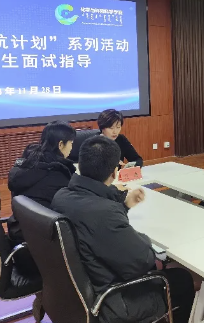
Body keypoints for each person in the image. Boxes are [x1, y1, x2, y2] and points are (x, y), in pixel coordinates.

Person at [51, 136, 195, 323]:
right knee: (182, 279)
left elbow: (98, 228)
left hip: (76, 293)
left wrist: (124, 206)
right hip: (113, 301)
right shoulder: (104, 213)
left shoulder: (61, 196)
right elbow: (142, 261)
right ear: (114, 172)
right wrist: (143, 239)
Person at [7, 120, 76, 245]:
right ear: (61, 145)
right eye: (71, 143)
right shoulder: (56, 173)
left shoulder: (29, 160)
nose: (72, 148)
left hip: (20, 227)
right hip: (42, 239)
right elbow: (70, 208)